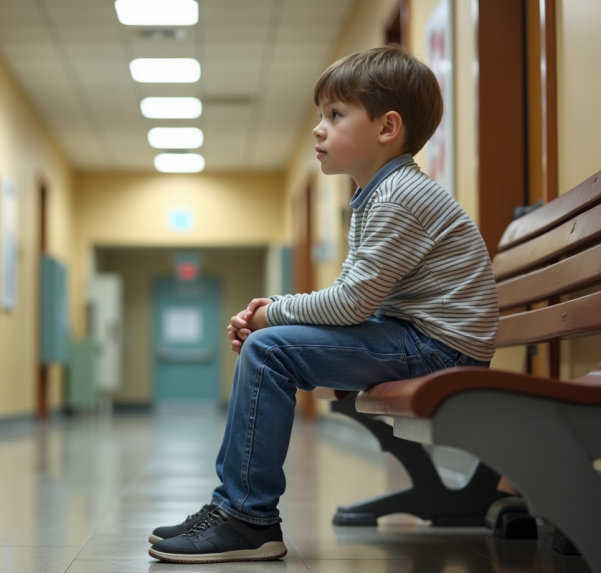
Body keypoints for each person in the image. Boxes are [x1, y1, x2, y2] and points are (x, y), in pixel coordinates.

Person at [147, 45, 499, 564]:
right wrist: (277, 310)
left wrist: (274, 314)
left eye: (335, 115)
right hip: (423, 340)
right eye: (321, 116)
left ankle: (246, 518)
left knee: (269, 350)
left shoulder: (398, 196)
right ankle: (236, 508)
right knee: (270, 344)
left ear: (387, 128)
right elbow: (357, 296)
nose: (318, 129)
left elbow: (352, 303)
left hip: (439, 350)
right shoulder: (379, 194)